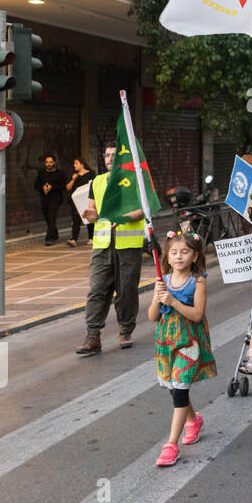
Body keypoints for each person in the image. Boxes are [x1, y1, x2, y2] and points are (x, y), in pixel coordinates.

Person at [149, 231, 215, 467]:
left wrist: (174, 302)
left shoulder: (198, 281)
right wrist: (158, 297)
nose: (178, 256)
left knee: (179, 388)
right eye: (174, 252)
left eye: (185, 252)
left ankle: (171, 445)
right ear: (167, 255)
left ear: (195, 256)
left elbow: (197, 315)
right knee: (175, 388)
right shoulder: (162, 280)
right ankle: (193, 420)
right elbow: (152, 316)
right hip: (166, 341)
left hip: (189, 342)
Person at [77, 145, 146, 355]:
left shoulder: (136, 180)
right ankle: (93, 336)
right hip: (101, 245)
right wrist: (90, 215)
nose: (109, 158)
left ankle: (125, 331)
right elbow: (94, 211)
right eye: (106, 155)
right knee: (96, 290)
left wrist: (123, 217)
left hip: (128, 246)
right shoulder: (96, 182)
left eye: (114, 155)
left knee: (126, 291)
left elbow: (143, 210)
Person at [35, 153, 68, 246]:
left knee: (52, 215)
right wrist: (43, 188)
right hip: (44, 199)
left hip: (56, 198)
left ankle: (49, 238)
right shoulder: (41, 173)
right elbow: (36, 185)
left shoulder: (60, 173)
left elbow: (63, 186)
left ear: (54, 162)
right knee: (47, 217)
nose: (48, 164)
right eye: (47, 162)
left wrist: (52, 187)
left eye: (50, 162)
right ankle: (54, 233)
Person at [64, 156, 95, 247]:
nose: (74, 166)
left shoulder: (91, 174)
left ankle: (91, 237)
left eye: (76, 163)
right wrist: (73, 179)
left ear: (82, 164)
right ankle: (74, 239)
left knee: (88, 218)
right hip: (75, 200)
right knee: (75, 219)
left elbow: (93, 185)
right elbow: (68, 187)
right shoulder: (74, 175)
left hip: (87, 199)